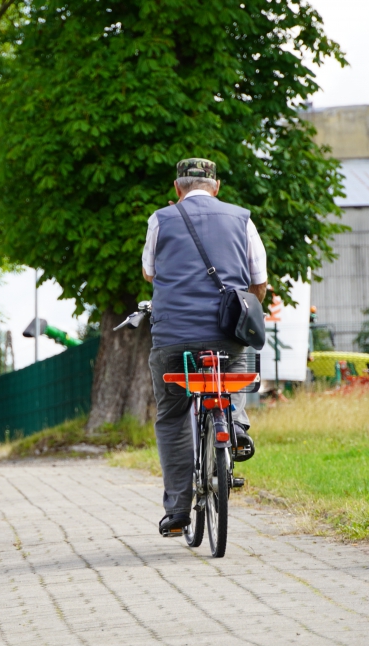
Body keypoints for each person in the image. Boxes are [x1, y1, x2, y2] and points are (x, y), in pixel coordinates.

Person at [142, 158, 268, 537]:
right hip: (226, 336)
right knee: (235, 368)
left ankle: (178, 510)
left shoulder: (160, 219)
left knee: (173, 414)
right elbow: (259, 280)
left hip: (174, 341)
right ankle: (238, 426)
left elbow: (149, 272)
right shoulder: (242, 218)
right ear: (217, 187)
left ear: (177, 187)